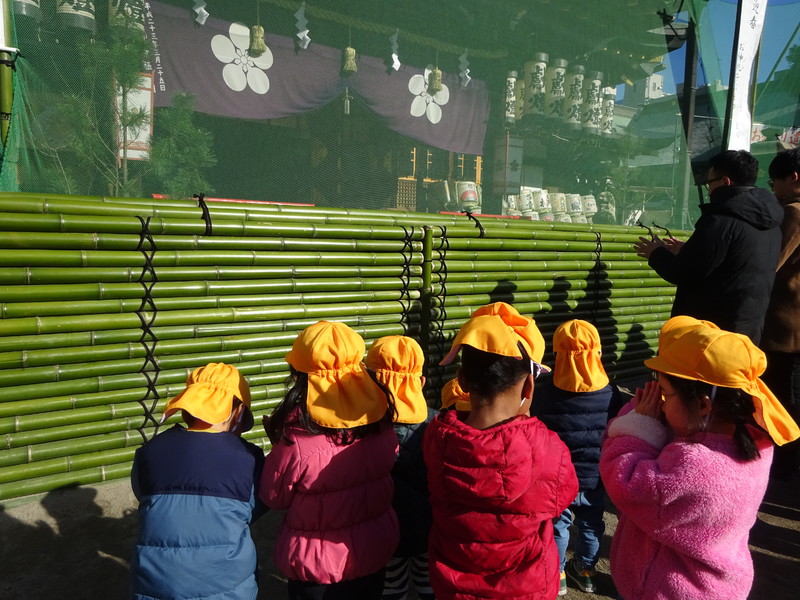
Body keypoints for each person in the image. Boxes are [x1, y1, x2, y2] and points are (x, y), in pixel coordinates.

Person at [600, 316, 800, 600]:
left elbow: (625, 482)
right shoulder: (752, 440)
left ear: (703, 404)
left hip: (670, 591)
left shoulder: (693, 470)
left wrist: (637, 424)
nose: (660, 404)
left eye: (665, 394)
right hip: (715, 587)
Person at [424, 303, 579, 600]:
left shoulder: (437, 436)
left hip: (453, 582)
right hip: (525, 587)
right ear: (529, 386)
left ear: (462, 379)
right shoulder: (548, 448)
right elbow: (562, 497)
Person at [258, 321, 400, 600]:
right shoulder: (382, 420)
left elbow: (274, 497)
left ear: (300, 374)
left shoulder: (297, 436)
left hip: (316, 565)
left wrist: (277, 448)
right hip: (373, 550)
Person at [130, 362, 265, 600]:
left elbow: (142, 495)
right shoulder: (249, 457)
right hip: (227, 591)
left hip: (153, 589)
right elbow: (254, 508)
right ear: (239, 412)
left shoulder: (148, 452)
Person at [632, 149, 783, 344]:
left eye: (709, 183)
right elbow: (733, 261)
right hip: (748, 329)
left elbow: (685, 272)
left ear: (725, 182)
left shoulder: (721, 220)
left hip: (710, 334)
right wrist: (688, 250)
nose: (709, 190)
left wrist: (656, 253)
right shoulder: (771, 223)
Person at [532, 319, 624, 596]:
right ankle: (586, 572)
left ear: (557, 354)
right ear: (598, 352)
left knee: (558, 525)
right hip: (594, 476)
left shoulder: (544, 390)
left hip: (557, 477)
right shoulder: (611, 394)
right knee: (592, 525)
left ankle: (558, 573)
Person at [364, 335, 437, 600]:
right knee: (429, 582)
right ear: (421, 382)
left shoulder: (362, 429)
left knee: (392, 586)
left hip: (384, 532)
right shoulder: (438, 424)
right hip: (430, 528)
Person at [761, 147, 800, 479]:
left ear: (794, 178)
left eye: (775, 181)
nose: (773, 189)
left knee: (777, 391)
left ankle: (783, 459)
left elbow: (770, 264)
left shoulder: (793, 213)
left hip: (785, 322)